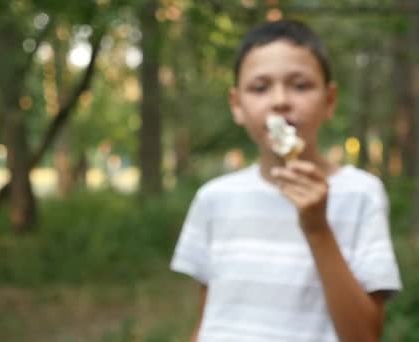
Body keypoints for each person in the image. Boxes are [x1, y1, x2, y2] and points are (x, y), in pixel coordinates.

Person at [170, 19, 402, 342]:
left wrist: (317, 227)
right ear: (237, 105)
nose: (280, 100)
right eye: (260, 87)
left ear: (329, 100)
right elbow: (210, 318)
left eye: (300, 85)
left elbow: (364, 336)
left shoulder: (361, 194)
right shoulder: (213, 198)